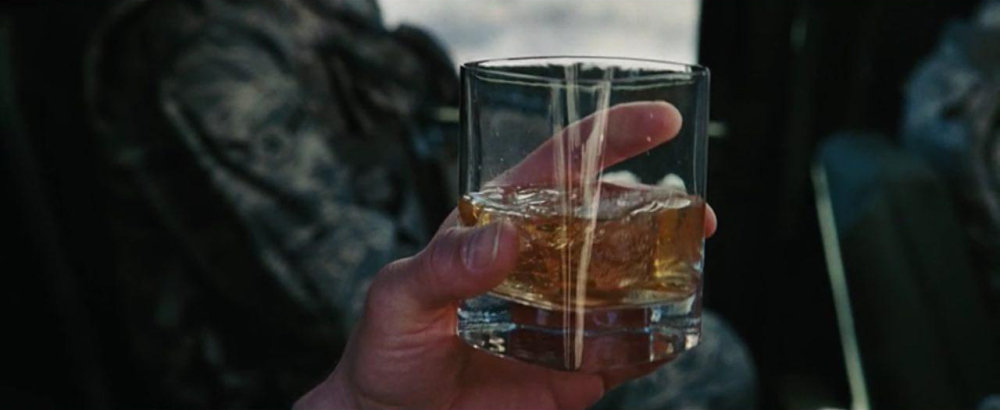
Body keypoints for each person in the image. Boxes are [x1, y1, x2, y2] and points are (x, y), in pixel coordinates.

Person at [87, 0, 756, 408]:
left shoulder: (326, 21)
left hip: (400, 330)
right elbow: (331, 286)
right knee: (705, 371)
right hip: (271, 370)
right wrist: (528, 285)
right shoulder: (207, 57)